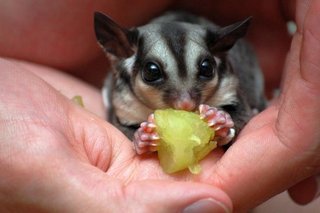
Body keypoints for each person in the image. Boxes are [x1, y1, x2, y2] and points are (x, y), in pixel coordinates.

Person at [0, 0, 319, 212]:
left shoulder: (226, 76)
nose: (185, 101)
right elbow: (123, 122)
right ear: (119, 51)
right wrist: (137, 138)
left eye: (204, 72)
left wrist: (226, 126)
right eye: (154, 74)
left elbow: (243, 115)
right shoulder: (124, 85)